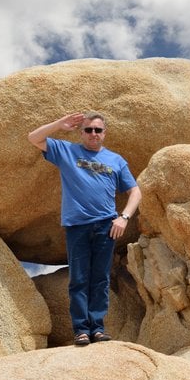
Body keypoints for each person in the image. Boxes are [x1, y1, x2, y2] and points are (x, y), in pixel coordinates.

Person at [27, 112, 141, 346]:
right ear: (82, 133)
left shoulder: (116, 160)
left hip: (106, 226)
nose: (93, 134)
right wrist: (59, 124)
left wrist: (124, 217)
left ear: (104, 134)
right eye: (88, 130)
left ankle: (97, 328)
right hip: (77, 226)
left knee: (99, 279)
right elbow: (33, 138)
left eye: (97, 130)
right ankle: (81, 330)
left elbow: (135, 191)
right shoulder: (67, 150)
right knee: (78, 279)